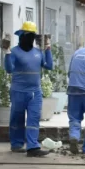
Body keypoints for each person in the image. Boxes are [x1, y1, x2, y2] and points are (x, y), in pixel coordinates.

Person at [3, 21, 53, 157]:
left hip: (35, 92)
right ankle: (16, 144)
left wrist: (48, 47)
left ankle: (32, 147)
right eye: (28, 35)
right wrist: (6, 52)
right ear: (21, 36)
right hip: (19, 91)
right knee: (17, 119)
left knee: (34, 119)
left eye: (32, 35)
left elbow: (49, 66)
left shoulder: (38, 52)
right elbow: (9, 69)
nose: (30, 38)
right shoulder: (14, 52)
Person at [66, 44, 85, 155]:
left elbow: (69, 73)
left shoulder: (77, 52)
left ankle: (74, 136)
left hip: (73, 90)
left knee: (74, 118)